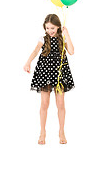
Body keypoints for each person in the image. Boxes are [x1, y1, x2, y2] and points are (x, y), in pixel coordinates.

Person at [23, 14, 75, 144]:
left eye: (52, 28)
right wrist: (28, 62)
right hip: (45, 73)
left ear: (58, 27)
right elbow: (35, 51)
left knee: (61, 104)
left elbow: (71, 51)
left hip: (59, 73)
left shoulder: (63, 38)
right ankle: (42, 132)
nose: (50, 31)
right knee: (44, 104)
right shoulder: (43, 38)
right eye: (47, 28)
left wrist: (66, 33)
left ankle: (61, 131)